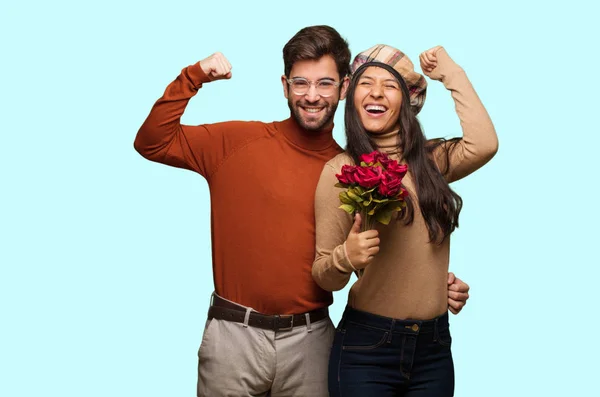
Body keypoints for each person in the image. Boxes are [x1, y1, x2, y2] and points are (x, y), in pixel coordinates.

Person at [134, 26, 471, 397]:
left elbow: (373, 256)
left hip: (312, 341)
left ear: (344, 88)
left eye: (325, 84)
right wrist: (194, 76)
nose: (312, 96)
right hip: (234, 336)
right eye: (300, 83)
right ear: (284, 85)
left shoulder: (356, 172)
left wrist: (429, 285)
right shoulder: (236, 142)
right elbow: (152, 142)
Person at [313, 44, 498, 396]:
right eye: (366, 82)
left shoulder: (431, 162)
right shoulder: (339, 172)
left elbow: (484, 144)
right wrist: (346, 256)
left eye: (391, 85)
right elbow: (324, 275)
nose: (377, 92)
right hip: (366, 350)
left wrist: (450, 72)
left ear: (406, 102)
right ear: (351, 96)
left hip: (434, 349)